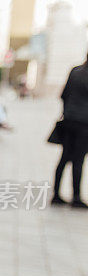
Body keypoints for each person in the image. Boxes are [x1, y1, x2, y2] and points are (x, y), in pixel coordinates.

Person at [52, 53, 88, 208]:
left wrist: (68, 112)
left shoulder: (75, 71)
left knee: (64, 158)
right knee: (78, 160)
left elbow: (63, 95)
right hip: (84, 125)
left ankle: (56, 194)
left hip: (69, 121)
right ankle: (76, 197)